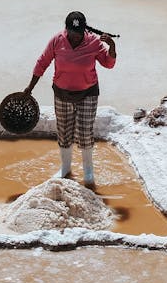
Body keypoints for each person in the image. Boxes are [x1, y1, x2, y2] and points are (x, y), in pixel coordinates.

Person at [24, 11, 117, 187]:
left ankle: (88, 171)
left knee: (84, 132)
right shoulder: (57, 40)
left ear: (84, 30)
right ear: (66, 29)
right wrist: (30, 88)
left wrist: (111, 46)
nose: (75, 36)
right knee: (64, 131)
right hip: (62, 92)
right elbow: (42, 62)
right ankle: (66, 168)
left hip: (87, 92)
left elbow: (109, 64)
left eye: (78, 33)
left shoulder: (94, 42)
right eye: (72, 33)